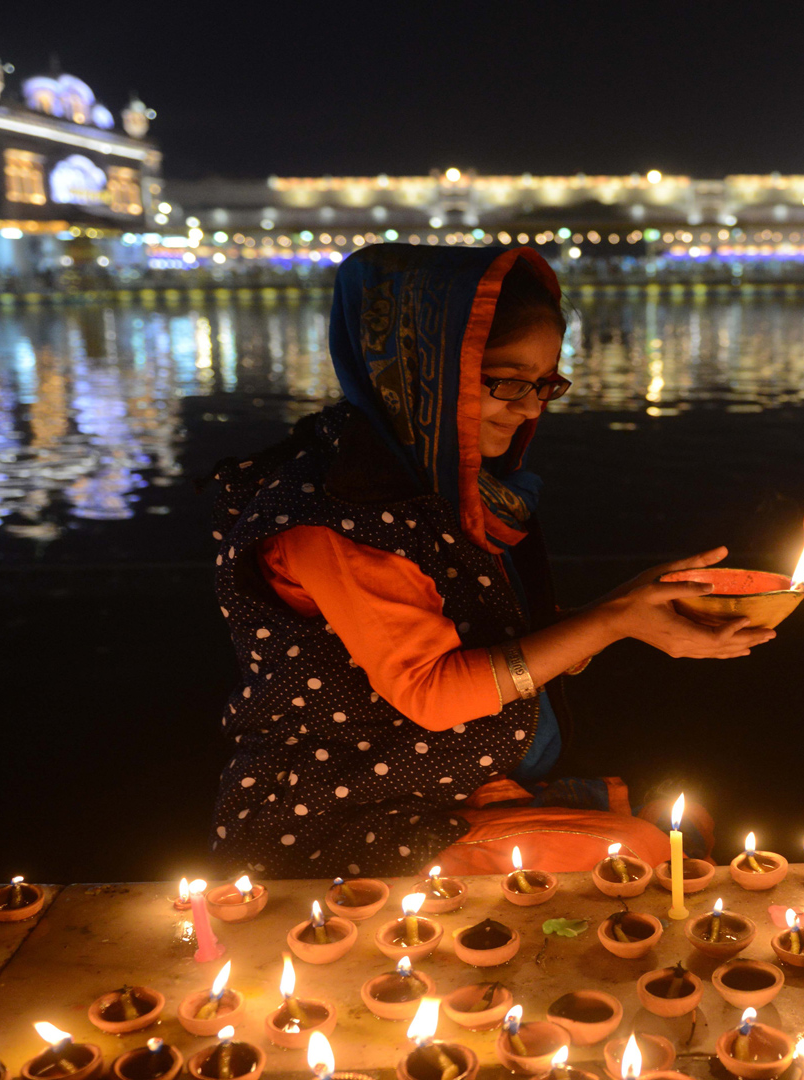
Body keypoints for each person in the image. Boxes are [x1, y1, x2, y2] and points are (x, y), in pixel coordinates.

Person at [207, 243, 771, 876]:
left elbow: (482, 632)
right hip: (339, 812)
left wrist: (633, 605)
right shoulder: (338, 516)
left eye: (545, 384)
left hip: (443, 774)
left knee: (676, 825)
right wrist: (616, 621)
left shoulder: (438, 482)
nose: (530, 408)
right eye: (505, 381)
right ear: (422, 368)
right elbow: (431, 691)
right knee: (639, 854)